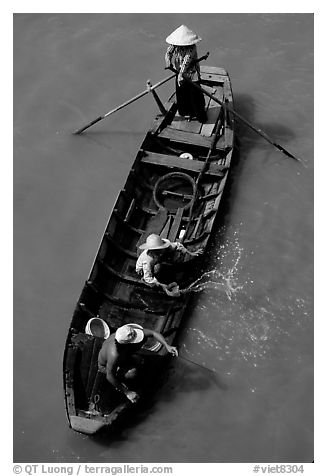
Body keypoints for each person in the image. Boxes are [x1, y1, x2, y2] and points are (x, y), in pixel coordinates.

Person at [98, 323, 178, 403]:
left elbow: (153, 333)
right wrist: (127, 392)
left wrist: (167, 345)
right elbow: (109, 375)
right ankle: (124, 382)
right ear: (126, 343)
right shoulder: (114, 354)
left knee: (140, 360)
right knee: (132, 373)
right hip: (105, 367)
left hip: (123, 357)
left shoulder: (125, 334)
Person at [136, 233, 203, 296]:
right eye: (155, 250)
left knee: (170, 259)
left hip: (158, 260)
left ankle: (166, 268)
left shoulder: (166, 247)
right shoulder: (148, 260)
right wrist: (161, 285)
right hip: (142, 269)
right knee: (157, 271)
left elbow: (178, 245)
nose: (158, 251)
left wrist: (192, 253)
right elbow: (148, 278)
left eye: (159, 249)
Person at [165, 24, 207, 123]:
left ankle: (200, 116)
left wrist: (181, 75)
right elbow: (168, 53)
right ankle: (187, 113)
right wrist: (168, 61)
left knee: (195, 95)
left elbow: (186, 61)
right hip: (178, 71)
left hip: (191, 73)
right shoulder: (174, 45)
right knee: (182, 94)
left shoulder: (192, 48)